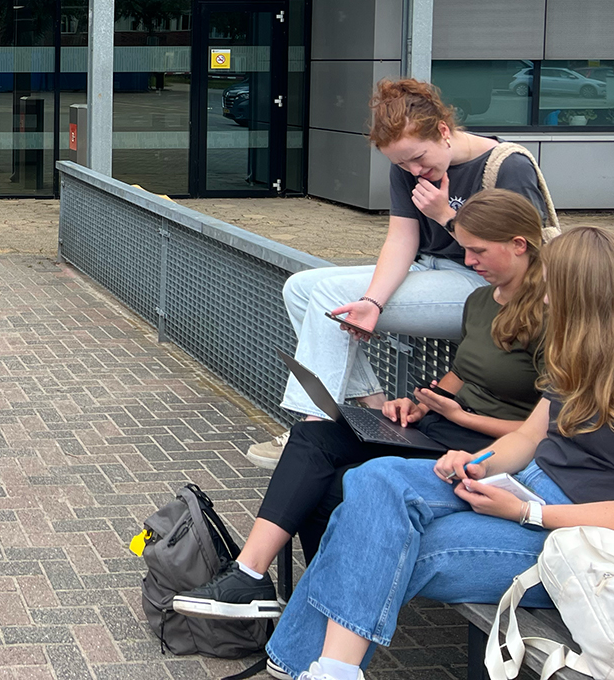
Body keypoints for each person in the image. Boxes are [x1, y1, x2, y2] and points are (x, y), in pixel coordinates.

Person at [174, 189, 547, 620]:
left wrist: (462, 416)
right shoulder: (481, 300)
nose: (467, 262)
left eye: (477, 250)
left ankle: (326, 605)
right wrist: (421, 404)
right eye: (463, 249)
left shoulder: (551, 316)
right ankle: (250, 575)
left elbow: (542, 432)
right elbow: (462, 372)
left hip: (481, 452)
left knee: (335, 484)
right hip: (438, 428)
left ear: (519, 245)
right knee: (313, 435)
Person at [262, 225, 614, 680]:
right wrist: (478, 464)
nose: (543, 299)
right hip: (522, 485)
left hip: (574, 534)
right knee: (374, 480)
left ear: (579, 295)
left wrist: (526, 513)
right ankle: (332, 671)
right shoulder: (576, 355)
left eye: (550, 289)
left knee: (377, 537)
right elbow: (529, 439)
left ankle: (304, 667)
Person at [247, 77, 555, 469]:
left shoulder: (507, 164)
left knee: (327, 297)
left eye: (419, 158)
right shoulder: (408, 168)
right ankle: (373, 408)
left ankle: (314, 425)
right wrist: (372, 302)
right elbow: (401, 241)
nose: (414, 170)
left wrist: (446, 215)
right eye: (401, 164)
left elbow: (524, 248)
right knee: (302, 289)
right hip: (429, 270)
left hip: (487, 288)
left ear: (444, 131)